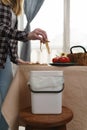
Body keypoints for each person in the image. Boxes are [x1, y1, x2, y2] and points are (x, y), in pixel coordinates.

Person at [0, 0, 48, 129]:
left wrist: (16, 58)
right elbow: (1, 28)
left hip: (4, 59)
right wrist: (27, 35)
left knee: (7, 101)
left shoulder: (13, 6)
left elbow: (8, 38)